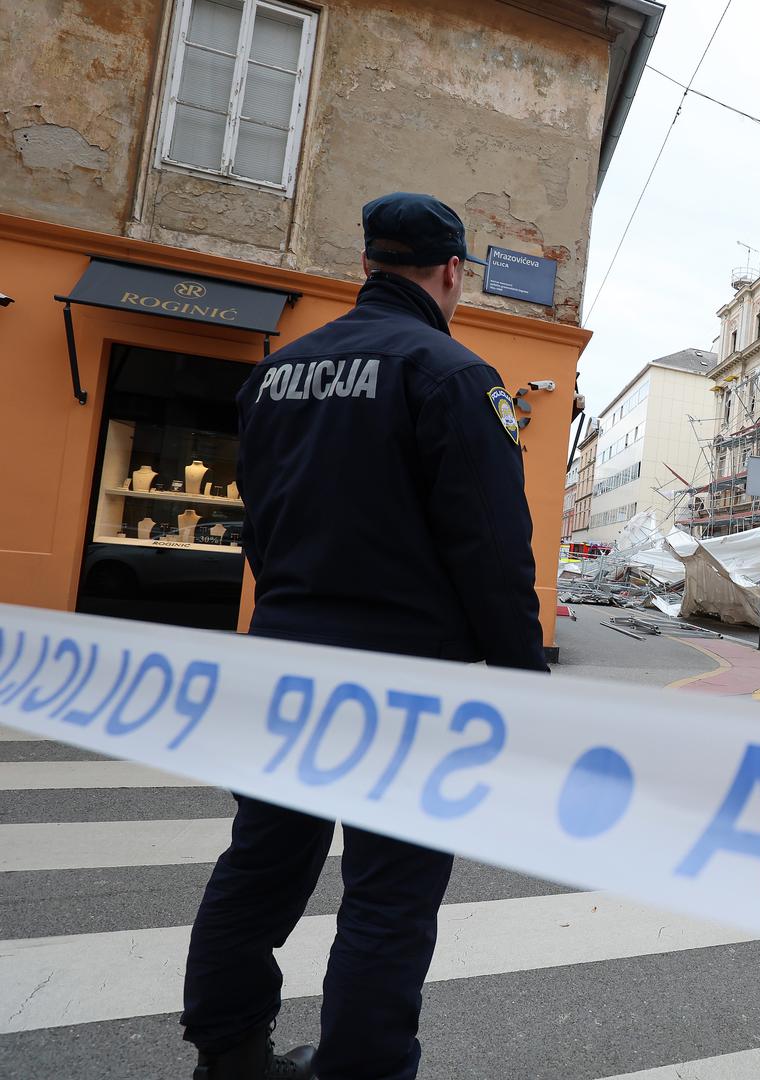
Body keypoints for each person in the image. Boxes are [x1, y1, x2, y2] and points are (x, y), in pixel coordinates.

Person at [181, 192, 549, 1080]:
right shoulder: (454, 375)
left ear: (368, 264)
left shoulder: (274, 374)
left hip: (283, 662)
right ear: (452, 271)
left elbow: (259, 528)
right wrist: (522, 680)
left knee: (262, 864)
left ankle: (228, 1055)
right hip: (405, 681)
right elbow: (493, 548)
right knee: (389, 892)